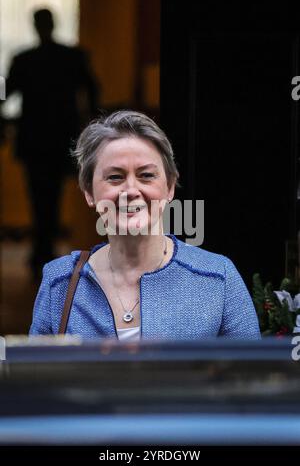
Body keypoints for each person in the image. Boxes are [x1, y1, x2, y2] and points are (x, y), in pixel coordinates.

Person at [29, 110, 261, 340]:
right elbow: (36, 376)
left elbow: (252, 375)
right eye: (115, 177)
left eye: (146, 175)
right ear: (89, 192)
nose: (131, 190)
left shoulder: (217, 277)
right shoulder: (59, 283)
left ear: (170, 187)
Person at [2, 8, 99, 279]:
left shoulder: (24, 59)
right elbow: (92, 91)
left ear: (35, 26)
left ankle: (41, 249)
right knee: (53, 195)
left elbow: (6, 90)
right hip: (60, 138)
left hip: (33, 139)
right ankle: (45, 247)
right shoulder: (71, 57)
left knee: (38, 195)